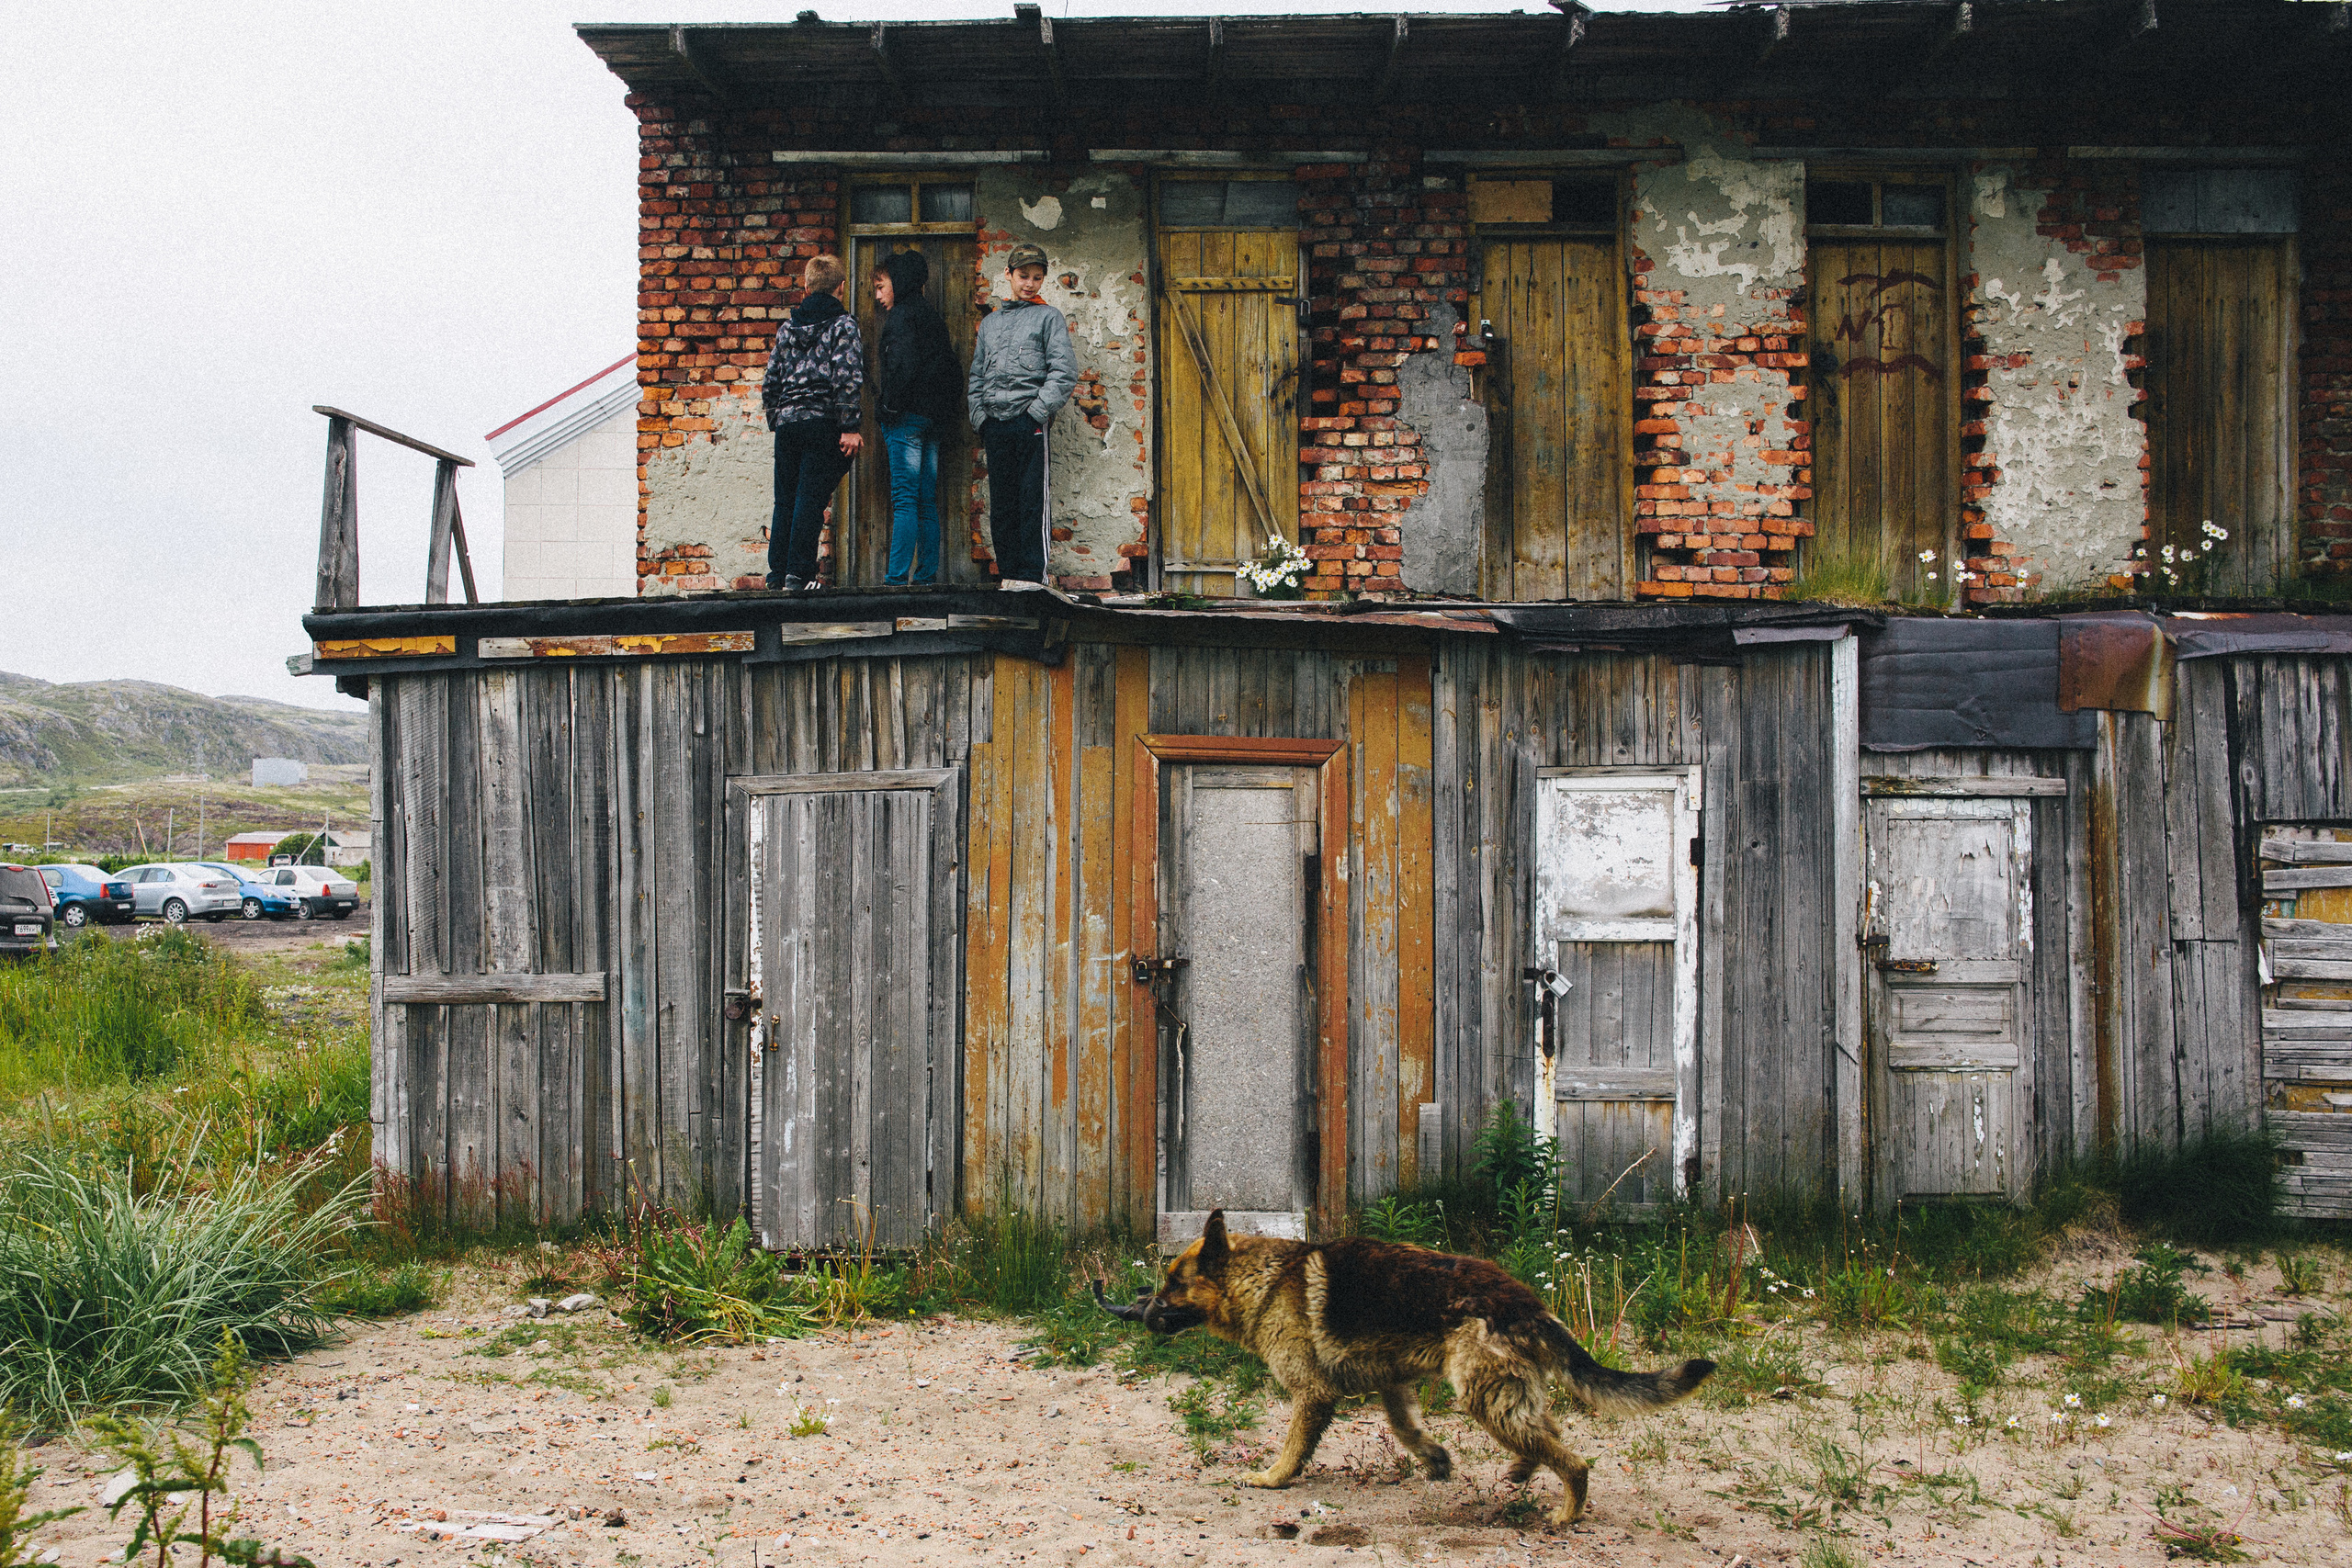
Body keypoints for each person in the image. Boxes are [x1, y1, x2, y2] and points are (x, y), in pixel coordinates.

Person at [967, 243, 1078, 590]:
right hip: (995, 426)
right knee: (1002, 507)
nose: (1029, 284)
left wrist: (1036, 413)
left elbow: (1064, 371)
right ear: (1009, 276)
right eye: (1023, 276)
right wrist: (980, 419)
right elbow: (976, 376)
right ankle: (1010, 578)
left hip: (1029, 424)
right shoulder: (991, 324)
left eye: (1037, 277)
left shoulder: (1049, 318)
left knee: (1032, 503)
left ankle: (1033, 581)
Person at [761, 254, 865, 592]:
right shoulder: (843, 324)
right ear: (841, 287)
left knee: (785, 501)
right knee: (809, 500)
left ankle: (777, 576)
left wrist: (777, 417)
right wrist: (849, 425)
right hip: (823, 423)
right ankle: (799, 576)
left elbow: (770, 380)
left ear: (806, 286)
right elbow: (847, 376)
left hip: (789, 425)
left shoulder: (788, 328)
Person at [873, 250, 964, 586]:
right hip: (932, 423)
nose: (879, 295)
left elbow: (901, 369)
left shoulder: (902, 318)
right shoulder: (932, 318)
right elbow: (952, 372)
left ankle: (895, 581)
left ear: (899, 282)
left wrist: (888, 410)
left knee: (905, 499)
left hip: (906, 421)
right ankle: (925, 577)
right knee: (925, 500)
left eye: (882, 287)